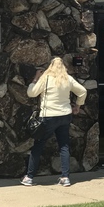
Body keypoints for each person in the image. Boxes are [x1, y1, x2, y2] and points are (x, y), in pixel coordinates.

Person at [21, 57, 87, 187]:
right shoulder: (67, 78)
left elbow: (32, 93)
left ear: (50, 66)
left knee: (38, 145)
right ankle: (65, 177)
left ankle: (29, 177)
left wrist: (35, 78)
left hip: (49, 116)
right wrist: (78, 106)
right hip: (65, 115)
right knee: (64, 146)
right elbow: (83, 91)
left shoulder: (45, 79)